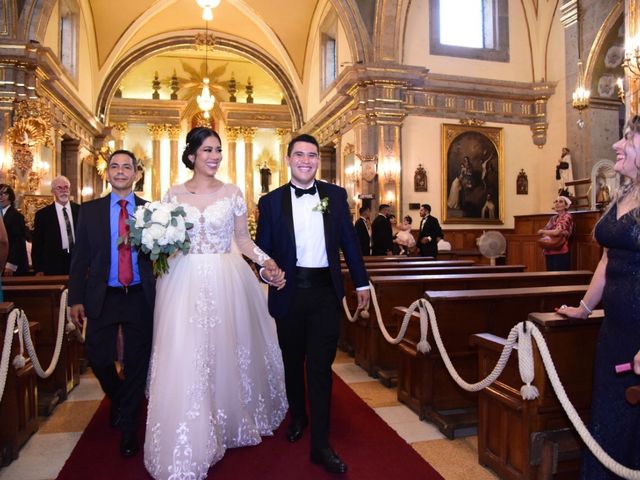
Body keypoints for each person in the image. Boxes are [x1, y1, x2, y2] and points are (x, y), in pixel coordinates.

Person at [143, 127, 287, 480]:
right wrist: (160, 242)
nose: (215, 156)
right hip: (183, 280)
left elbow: (243, 239)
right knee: (189, 353)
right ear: (191, 155)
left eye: (218, 150)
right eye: (208, 150)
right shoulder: (173, 194)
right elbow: (166, 241)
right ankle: (193, 427)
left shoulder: (234, 192)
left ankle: (227, 418)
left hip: (227, 277)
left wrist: (266, 260)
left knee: (225, 350)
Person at [256, 133, 369, 474]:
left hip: (324, 294)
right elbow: (261, 252)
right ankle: (298, 416)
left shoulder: (335, 195)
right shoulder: (271, 202)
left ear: (318, 160)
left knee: (320, 369)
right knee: (293, 362)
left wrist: (362, 282)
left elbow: (349, 243)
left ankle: (321, 444)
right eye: (299, 155)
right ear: (288, 159)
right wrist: (266, 275)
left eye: (312, 155)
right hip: (289, 291)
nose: (306, 160)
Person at [558, 115, 640, 478]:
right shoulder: (625, 191)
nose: (616, 145)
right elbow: (607, 260)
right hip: (615, 333)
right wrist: (585, 307)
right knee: (606, 421)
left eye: (628, 138)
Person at [68, 150, 156, 457]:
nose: (120, 171)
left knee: (136, 363)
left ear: (136, 174)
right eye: (115, 166)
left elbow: (159, 259)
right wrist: (75, 298)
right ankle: (119, 398)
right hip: (103, 295)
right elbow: (79, 260)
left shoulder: (151, 211)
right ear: (107, 174)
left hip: (139, 297)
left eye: (127, 167)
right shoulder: (89, 211)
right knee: (98, 357)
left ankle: (129, 426)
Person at [32, 175, 79, 275]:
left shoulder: (81, 211)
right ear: (53, 191)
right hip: (53, 262)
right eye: (59, 188)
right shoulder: (42, 215)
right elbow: (37, 243)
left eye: (66, 187)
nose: (63, 190)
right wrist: (38, 268)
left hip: (78, 260)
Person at [538, 196, 573, 271]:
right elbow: (544, 232)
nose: (557, 203)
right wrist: (546, 232)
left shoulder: (567, 216)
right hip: (549, 251)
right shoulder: (553, 218)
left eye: (560, 201)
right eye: (556, 201)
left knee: (561, 279)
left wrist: (544, 232)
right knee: (550, 278)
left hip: (561, 252)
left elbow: (556, 232)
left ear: (566, 206)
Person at [0, 184, 28, 276]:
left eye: (4, 194)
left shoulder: (16, 216)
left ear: (10, 196)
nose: (1, 197)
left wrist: (11, 264)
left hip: (11, 263)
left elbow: (18, 241)